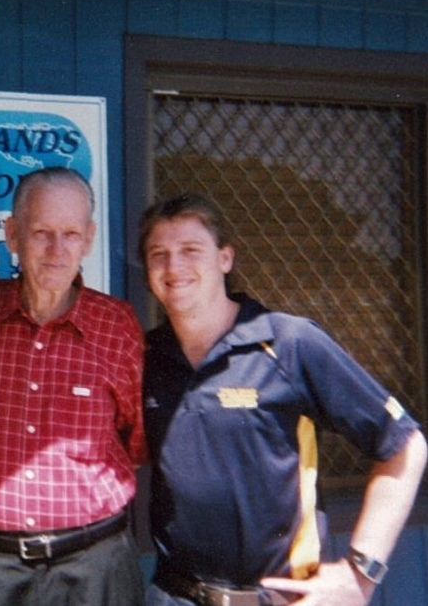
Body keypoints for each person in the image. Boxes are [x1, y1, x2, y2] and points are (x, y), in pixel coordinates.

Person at [138, 192, 427, 606]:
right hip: (173, 597)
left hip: (283, 599)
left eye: (190, 250)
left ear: (225, 258)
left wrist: (361, 573)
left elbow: (405, 446)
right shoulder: (145, 357)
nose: (174, 266)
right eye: (158, 254)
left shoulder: (288, 343)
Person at [0, 167, 147, 606]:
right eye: (41, 233)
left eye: (71, 234)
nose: (57, 250)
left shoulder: (117, 326)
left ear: (89, 238)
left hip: (97, 566)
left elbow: (134, 439)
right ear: (13, 235)